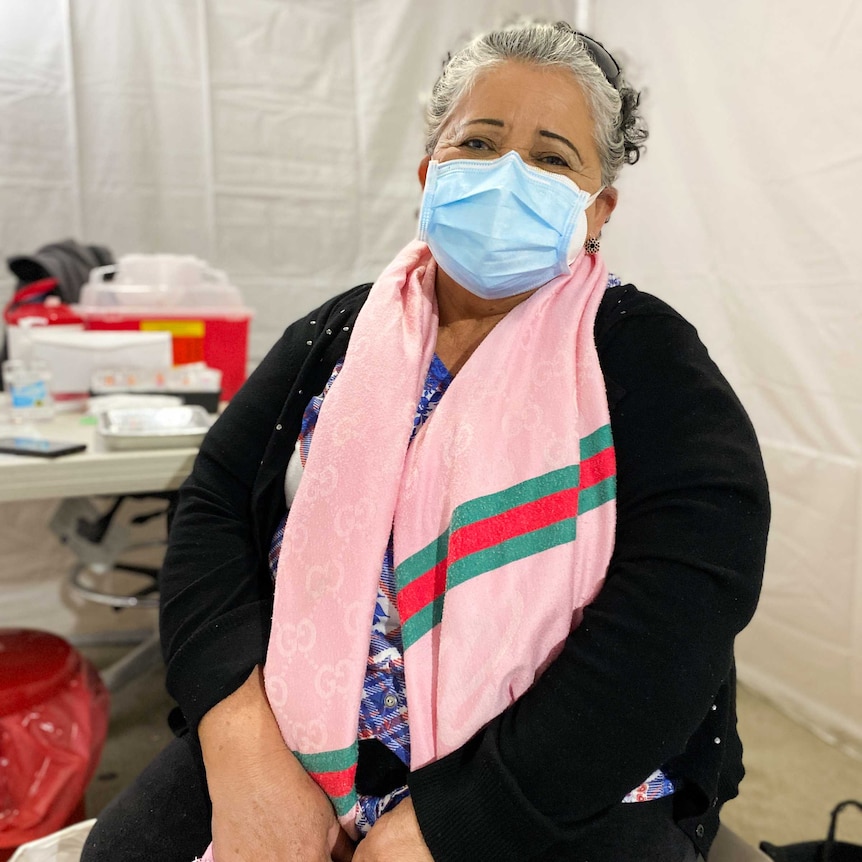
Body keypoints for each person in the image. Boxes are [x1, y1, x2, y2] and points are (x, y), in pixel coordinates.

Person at [82, 19, 769, 862]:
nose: (508, 175)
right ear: (428, 172)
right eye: (478, 142)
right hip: (295, 741)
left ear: (599, 209)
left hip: (562, 775)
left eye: (553, 158)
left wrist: (458, 824)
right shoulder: (339, 334)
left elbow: (686, 603)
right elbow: (215, 507)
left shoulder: (644, 356)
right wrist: (239, 742)